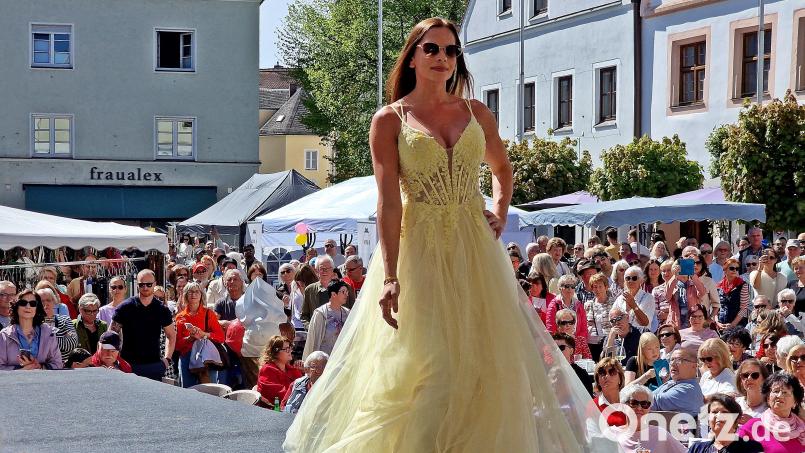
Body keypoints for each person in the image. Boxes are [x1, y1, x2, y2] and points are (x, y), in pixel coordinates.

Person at [284, 17, 614, 453]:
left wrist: (498, 208)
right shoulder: (390, 119)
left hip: (474, 246)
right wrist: (389, 275)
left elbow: (501, 169)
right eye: (433, 49)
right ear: (413, 56)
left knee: (483, 365)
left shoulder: (476, 112)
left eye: (451, 50)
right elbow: (388, 202)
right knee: (429, 367)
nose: (443, 58)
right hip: (419, 247)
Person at [111, 270, 176, 380]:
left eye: (149, 284)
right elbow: (111, 334)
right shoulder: (125, 307)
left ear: (154, 284)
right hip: (128, 365)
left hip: (154, 365)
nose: (145, 287)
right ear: (137, 285)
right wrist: (114, 360)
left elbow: (171, 335)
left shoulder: (162, 309)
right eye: (142, 285)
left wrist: (167, 359)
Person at [737, 372, 805, 453]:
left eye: (785, 392)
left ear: (795, 402)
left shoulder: (802, 430)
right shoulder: (752, 427)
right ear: (768, 399)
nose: (779, 395)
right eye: (776, 391)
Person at [175, 282, 225, 387]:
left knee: (210, 392)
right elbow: (177, 345)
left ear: (201, 295)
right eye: (190, 292)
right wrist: (190, 338)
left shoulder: (209, 314)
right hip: (187, 357)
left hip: (206, 356)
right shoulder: (180, 317)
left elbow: (221, 337)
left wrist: (203, 334)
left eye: (197, 291)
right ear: (185, 295)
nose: (194, 294)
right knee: (188, 391)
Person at [610, 384, 687, 453]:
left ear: (649, 408)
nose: (639, 408)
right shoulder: (612, 434)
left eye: (644, 404)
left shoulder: (660, 434)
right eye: (633, 403)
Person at [0, 289, 63, 370]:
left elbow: (58, 364)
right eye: (23, 303)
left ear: (37, 308)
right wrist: (21, 370)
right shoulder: (4, 335)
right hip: (14, 382)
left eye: (33, 304)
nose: (28, 306)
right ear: (16, 306)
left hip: (43, 381)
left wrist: (39, 367)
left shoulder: (48, 333)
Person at [687, 393, 764, 453]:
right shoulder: (696, 448)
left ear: (736, 420)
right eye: (714, 412)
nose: (719, 415)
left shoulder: (751, 448)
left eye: (725, 412)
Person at [300, 256, 355, 329]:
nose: (325, 271)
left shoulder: (346, 287)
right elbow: (304, 316)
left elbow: (354, 312)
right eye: (322, 269)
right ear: (316, 271)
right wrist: (311, 328)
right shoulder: (310, 290)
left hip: (341, 335)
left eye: (328, 268)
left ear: (333, 270)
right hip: (319, 336)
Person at [302, 280, 351, 360]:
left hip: (343, 359)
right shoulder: (320, 313)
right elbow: (313, 339)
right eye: (343, 291)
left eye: (347, 291)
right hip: (324, 360)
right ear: (333, 294)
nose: (346, 294)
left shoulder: (347, 313)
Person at [652, 347, 705, 417]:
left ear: (694, 366)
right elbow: (647, 396)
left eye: (679, 360)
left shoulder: (688, 390)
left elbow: (646, 403)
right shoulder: (671, 382)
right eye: (671, 360)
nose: (673, 364)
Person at [257, 335, 303, 409]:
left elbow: (302, 384)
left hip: (290, 405)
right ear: (276, 352)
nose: (290, 351)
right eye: (287, 349)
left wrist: (304, 371)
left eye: (290, 348)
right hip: (275, 410)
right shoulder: (267, 370)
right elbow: (281, 396)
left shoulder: (288, 368)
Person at [37, 286, 78, 363]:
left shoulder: (65, 320)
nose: (46, 303)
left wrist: (45, 340)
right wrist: (62, 337)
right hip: (41, 366)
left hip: (63, 365)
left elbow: (73, 342)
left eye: (48, 300)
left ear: (54, 301)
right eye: (42, 301)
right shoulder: (34, 323)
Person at [546, 274, 588, 342]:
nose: (570, 289)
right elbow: (551, 329)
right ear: (560, 288)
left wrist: (577, 342)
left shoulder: (579, 305)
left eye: (572, 286)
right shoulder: (553, 305)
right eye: (567, 286)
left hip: (577, 343)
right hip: (560, 344)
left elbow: (584, 329)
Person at [612, 266, 655, 332]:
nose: (630, 281)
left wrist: (633, 305)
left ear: (641, 280)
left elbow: (645, 323)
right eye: (628, 278)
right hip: (623, 336)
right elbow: (612, 317)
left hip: (641, 337)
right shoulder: (620, 299)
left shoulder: (648, 298)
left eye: (634, 278)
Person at [585, 272, 615, 361]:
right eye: (594, 287)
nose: (597, 289)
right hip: (591, 342)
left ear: (606, 287)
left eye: (600, 286)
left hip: (608, 341)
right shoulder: (588, 304)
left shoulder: (614, 303)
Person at [592, 357, 627, 426]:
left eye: (612, 372)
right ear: (598, 381)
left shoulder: (631, 402)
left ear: (620, 378)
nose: (607, 376)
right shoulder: (593, 406)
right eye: (602, 373)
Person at [717, 258, 750, 329]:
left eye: (737, 268)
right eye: (732, 268)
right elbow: (715, 306)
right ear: (725, 269)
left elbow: (744, 309)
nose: (734, 270)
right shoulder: (719, 286)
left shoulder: (743, 285)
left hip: (738, 324)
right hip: (721, 323)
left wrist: (732, 324)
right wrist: (717, 322)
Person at [734, 359, 770, 423]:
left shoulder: (771, 408)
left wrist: (753, 423)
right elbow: (724, 432)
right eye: (745, 375)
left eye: (755, 375)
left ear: (764, 379)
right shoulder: (734, 404)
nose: (749, 378)